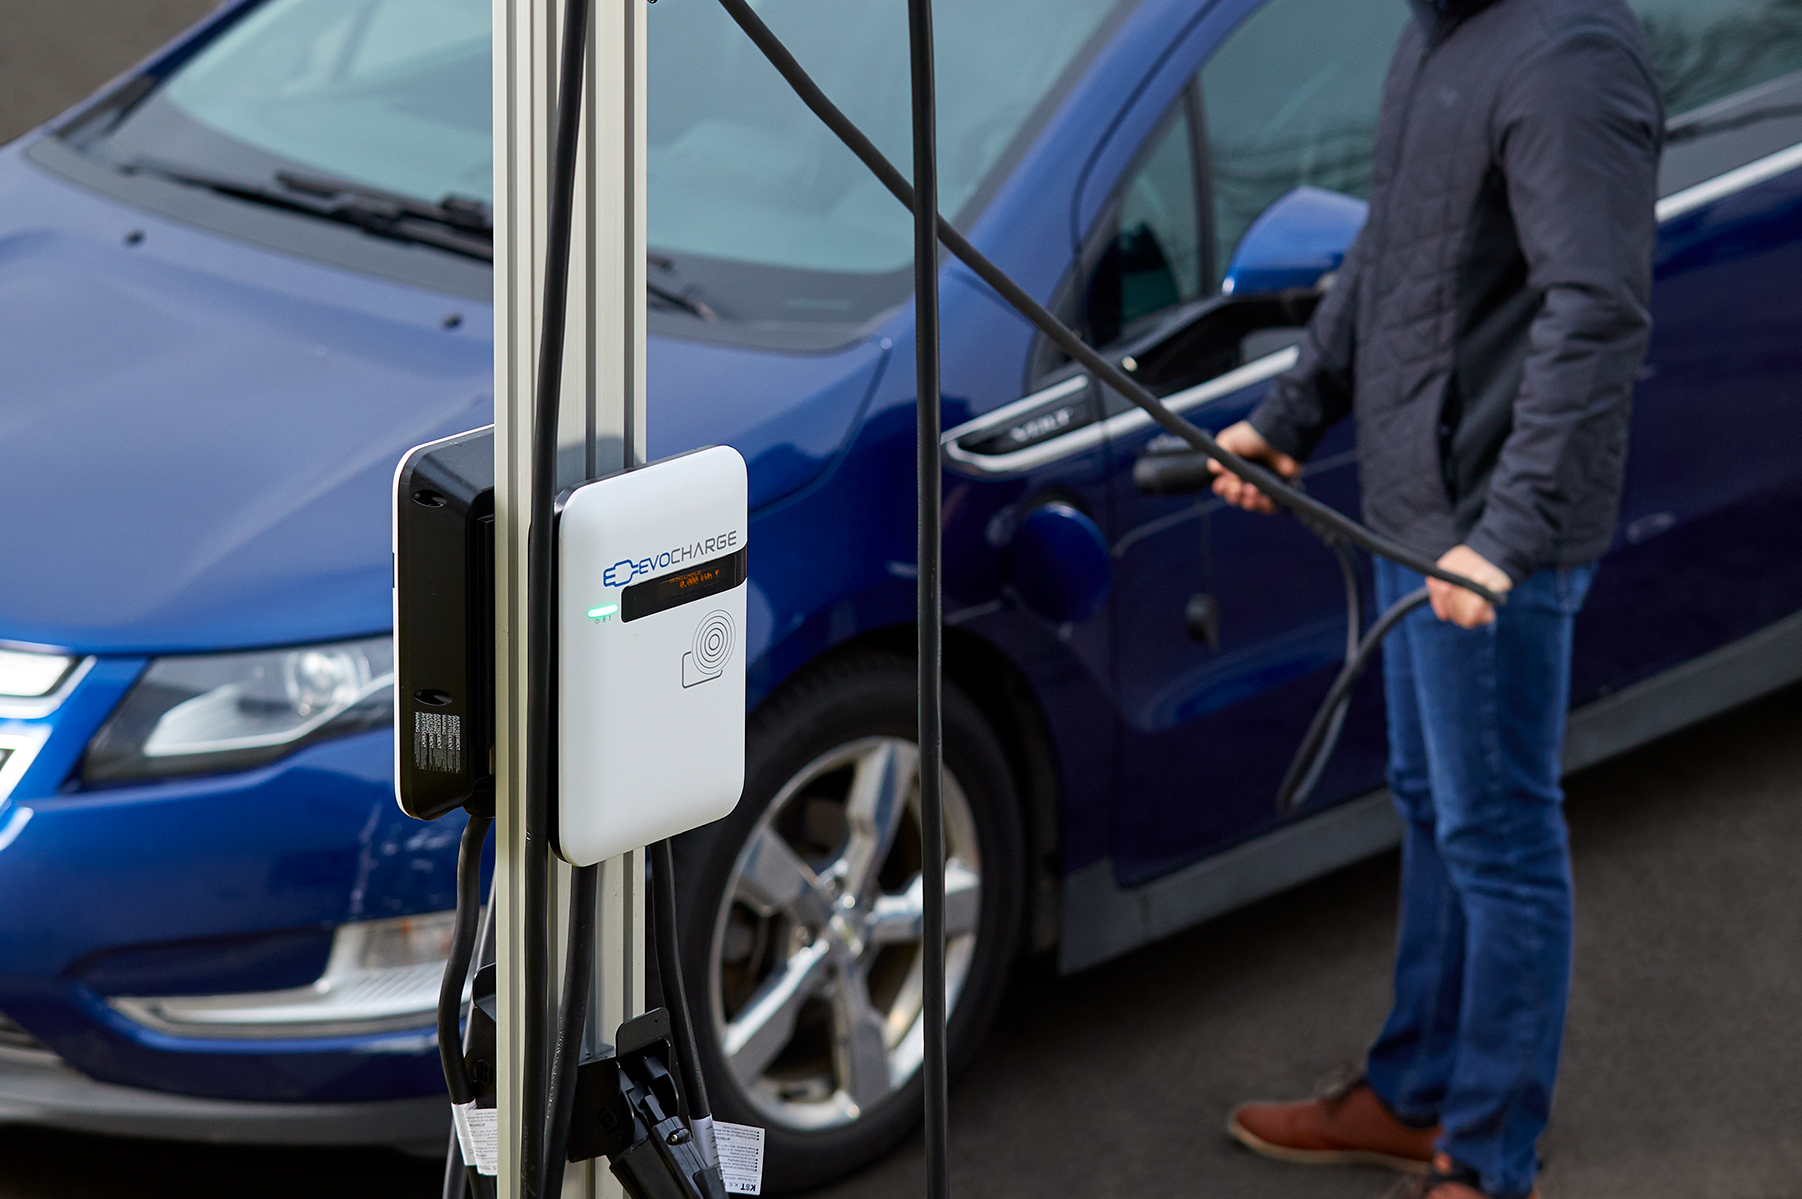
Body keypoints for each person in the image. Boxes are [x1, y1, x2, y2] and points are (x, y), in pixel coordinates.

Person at [1210, 2, 1663, 1197]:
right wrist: (1292, 416)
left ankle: (1487, 1156)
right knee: (1432, 804)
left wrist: (1500, 539)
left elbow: (1593, 308)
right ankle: (1411, 1095)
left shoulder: (1570, 57)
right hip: (1408, 513)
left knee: (1501, 836)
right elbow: (1387, 254)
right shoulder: (1435, 34)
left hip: (1489, 540)